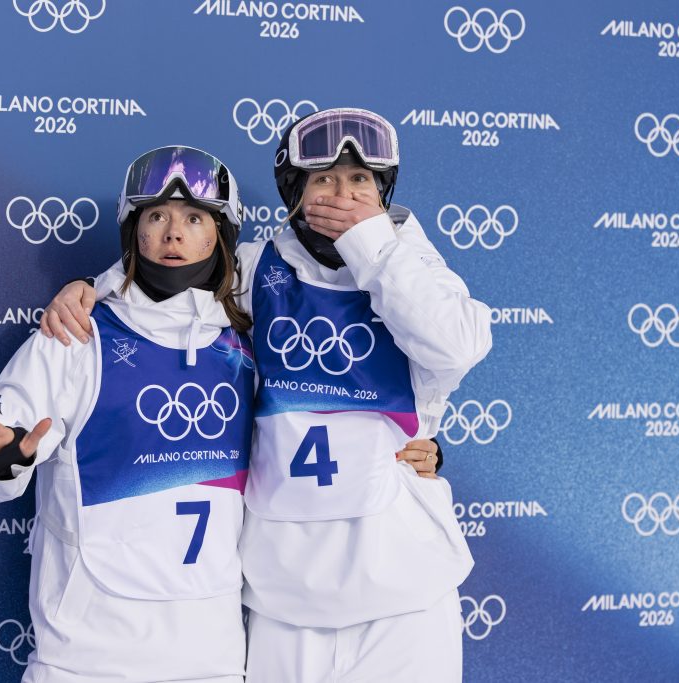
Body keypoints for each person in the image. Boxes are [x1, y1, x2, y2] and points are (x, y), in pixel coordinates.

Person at [41, 108, 491, 682]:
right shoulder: (258, 268)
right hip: (284, 596)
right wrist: (90, 289)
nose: (343, 195)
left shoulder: (416, 264)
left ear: (383, 191)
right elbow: (167, 288)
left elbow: (454, 345)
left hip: (403, 586)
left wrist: (373, 241)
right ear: (293, 192)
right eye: (323, 179)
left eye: (359, 180)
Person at [0, 145, 256, 683]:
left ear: (221, 235)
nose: (173, 234)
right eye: (155, 216)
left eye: (193, 218)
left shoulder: (248, 344)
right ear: (133, 232)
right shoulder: (76, 337)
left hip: (213, 657)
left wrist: (420, 444)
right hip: (85, 658)